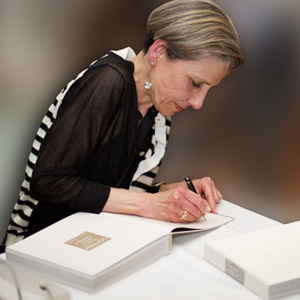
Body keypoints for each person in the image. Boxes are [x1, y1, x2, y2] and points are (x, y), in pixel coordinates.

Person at [0, 0, 244, 252]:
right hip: (37, 250)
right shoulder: (107, 82)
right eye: (195, 83)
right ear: (158, 53)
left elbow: (108, 188)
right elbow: (48, 182)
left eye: (208, 89)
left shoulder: (158, 107)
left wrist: (172, 192)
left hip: (92, 244)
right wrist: (148, 204)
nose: (198, 102)